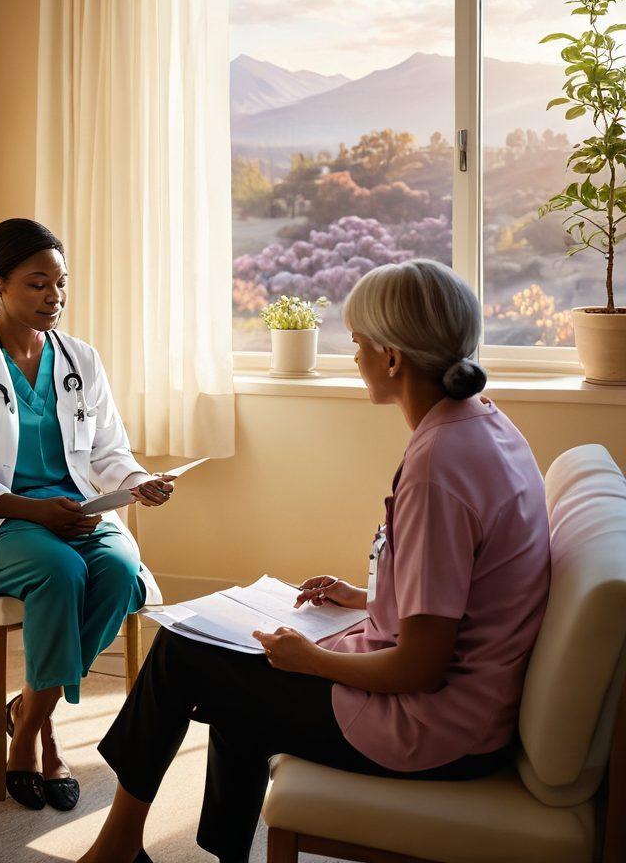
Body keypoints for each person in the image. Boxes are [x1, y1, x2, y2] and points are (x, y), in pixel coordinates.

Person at [79, 259, 551, 863]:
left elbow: (422, 669)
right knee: (228, 664)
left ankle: (116, 849)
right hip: (473, 712)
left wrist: (313, 661)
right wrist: (367, 598)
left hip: (434, 729)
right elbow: (465, 590)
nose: (351, 356)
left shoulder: (439, 465)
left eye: (356, 342)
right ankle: (199, 852)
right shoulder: (488, 426)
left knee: (185, 651)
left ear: (392, 358)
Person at [0, 218, 174, 813]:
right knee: (60, 572)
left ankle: (28, 714)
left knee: (118, 567)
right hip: (2, 523)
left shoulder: (80, 359)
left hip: (77, 513)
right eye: (38, 284)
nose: (54, 298)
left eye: (60, 284)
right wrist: (37, 510)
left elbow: (110, 450)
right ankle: (43, 737)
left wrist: (138, 483)